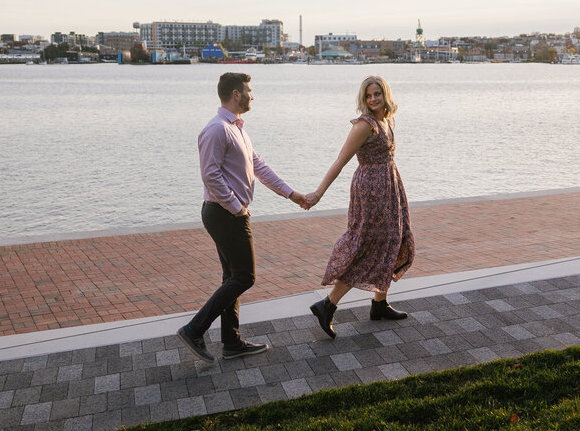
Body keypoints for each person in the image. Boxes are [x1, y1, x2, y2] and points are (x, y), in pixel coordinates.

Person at [176, 71, 309, 364]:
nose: (252, 95)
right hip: (224, 214)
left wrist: (291, 194)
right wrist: (237, 207)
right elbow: (209, 175)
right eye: (249, 90)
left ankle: (231, 342)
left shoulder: (237, 128)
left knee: (232, 277)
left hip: (228, 213)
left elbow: (257, 166)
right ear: (236, 94)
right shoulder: (216, 129)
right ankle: (194, 329)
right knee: (245, 276)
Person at [306, 75, 415, 338]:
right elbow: (341, 160)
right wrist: (318, 193)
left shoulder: (387, 119)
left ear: (385, 94)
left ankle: (379, 303)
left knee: (394, 240)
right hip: (371, 190)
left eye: (377, 94)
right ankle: (328, 304)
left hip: (390, 184)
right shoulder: (364, 125)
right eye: (368, 96)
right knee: (367, 245)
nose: (373, 99)